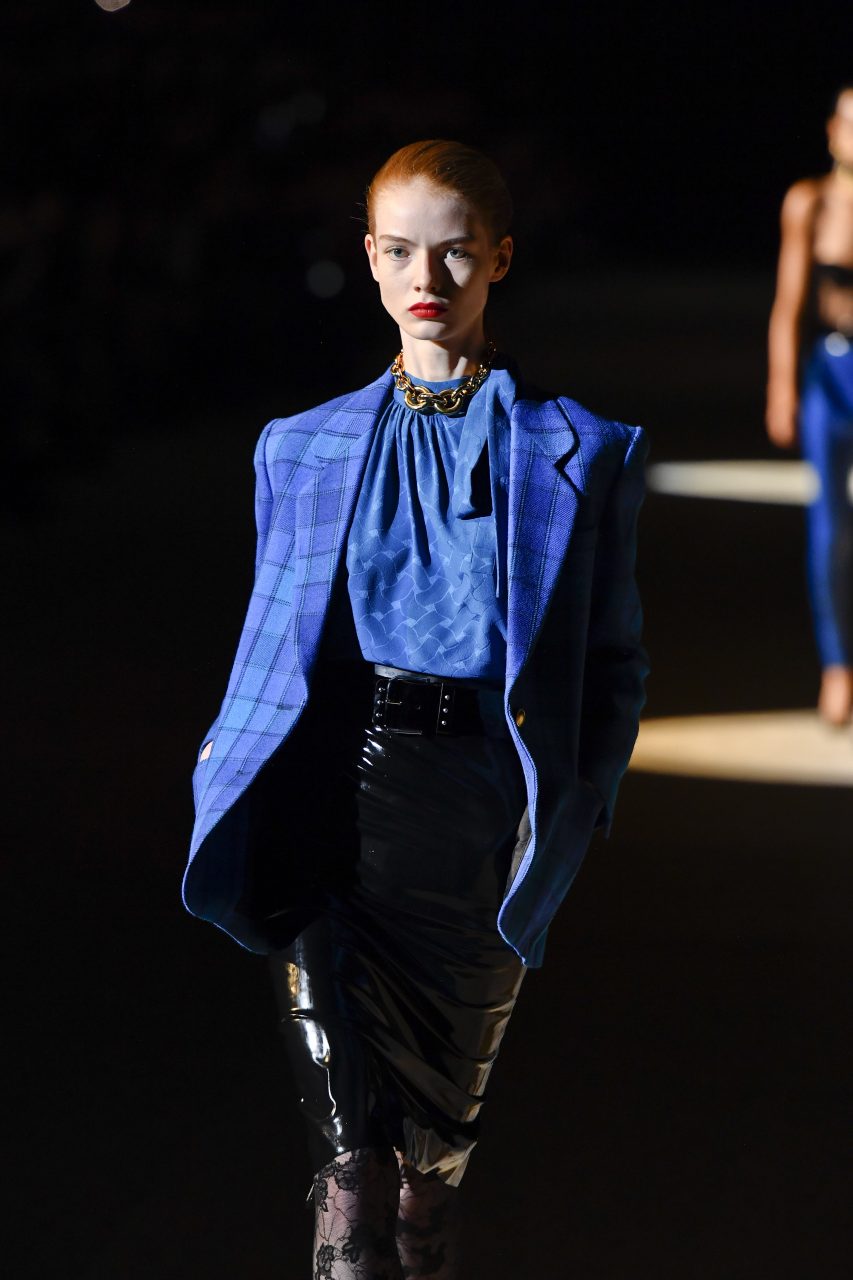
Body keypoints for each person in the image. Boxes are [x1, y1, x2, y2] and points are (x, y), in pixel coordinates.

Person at [182, 140, 648, 1279]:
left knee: (423, 1174)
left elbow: (611, 662)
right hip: (323, 799)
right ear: (372, 262)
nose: (425, 274)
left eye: (452, 249)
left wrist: (577, 804)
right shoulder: (296, 447)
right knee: (345, 1167)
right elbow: (270, 641)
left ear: (499, 256)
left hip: (472, 817)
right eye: (400, 250)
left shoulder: (585, 450)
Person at [766, 87, 853, 725]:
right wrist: (782, 385)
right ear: (832, 130)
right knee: (830, 523)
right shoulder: (812, 201)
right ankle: (837, 666)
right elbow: (789, 301)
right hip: (831, 370)